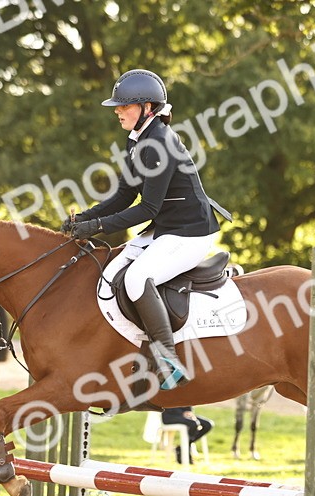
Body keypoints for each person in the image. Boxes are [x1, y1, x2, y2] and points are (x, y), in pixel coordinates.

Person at [63, 69, 229, 391]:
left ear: (147, 108)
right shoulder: (139, 140)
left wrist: (95, 227)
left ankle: (168, 359)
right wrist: (84, 218)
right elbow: (125, 194)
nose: (117, 111)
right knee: (114, 270)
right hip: (169, 227)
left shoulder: (159, 143)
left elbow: (147, 209)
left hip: (190, 232)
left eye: (125, 106)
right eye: (119, 106)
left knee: (138, 278)